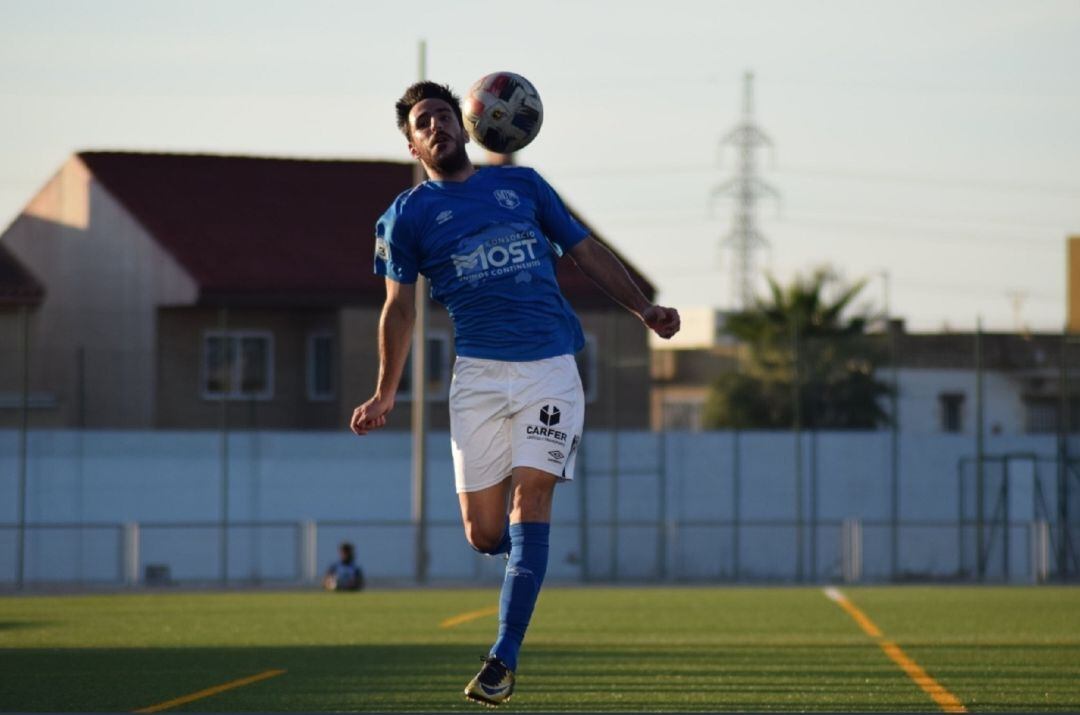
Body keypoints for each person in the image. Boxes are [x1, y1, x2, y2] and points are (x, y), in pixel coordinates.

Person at [350, 81, 680, 706]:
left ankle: (503, 657)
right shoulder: (406, 217)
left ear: (468, 125)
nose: (438, 126)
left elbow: (586, 252)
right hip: (477, 378)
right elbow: (398, 310)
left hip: (551, 367)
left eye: (446, 115)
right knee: (483, 534)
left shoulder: (523, 187)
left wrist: (643, 309)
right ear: (413, 142)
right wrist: (385, 391)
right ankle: (526, 558)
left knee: (533, 497)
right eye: (425, 121)